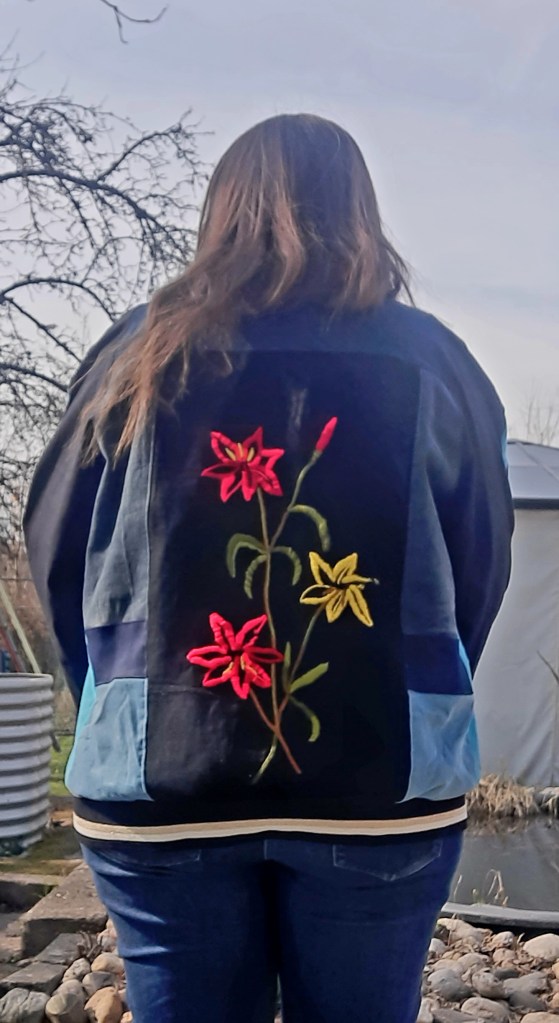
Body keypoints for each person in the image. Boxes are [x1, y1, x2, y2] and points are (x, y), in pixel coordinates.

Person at [24, 114, 513, 1023]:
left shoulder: (135, 353)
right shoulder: (430, 361)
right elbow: (481, 558)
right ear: (360, 212)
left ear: (221, 212)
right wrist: (421, 682)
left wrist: (107, 697)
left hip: (156, 790)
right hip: (380, 790)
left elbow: (55, 547)